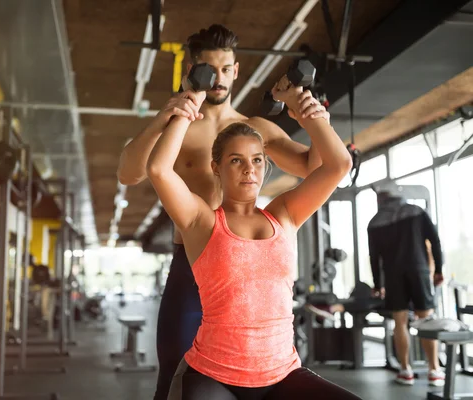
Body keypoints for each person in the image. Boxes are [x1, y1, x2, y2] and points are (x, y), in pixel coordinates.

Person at [117, 24, 329, 399]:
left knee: (254, 374)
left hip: (244, 265)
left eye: (226, 68)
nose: (218, 78)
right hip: (192, 262)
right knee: (173, 369)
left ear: (236, 71)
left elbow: (316, 166)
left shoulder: (254, 130)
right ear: (191, 72)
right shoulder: (178, 129)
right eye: (208, 69)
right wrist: (165, 118)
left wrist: (311, 116)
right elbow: (129, 173)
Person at [146, 72, 358, 399]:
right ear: (216, 167)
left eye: (257, 160)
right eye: (236, 160)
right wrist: (187, 108)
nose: (249, 169)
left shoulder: (284, 214)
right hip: (212, 375)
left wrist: (308, 115)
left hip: (282, 373)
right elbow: (159, 169)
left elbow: (338, 165)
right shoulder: (200, 221)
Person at [368, 189, 445, 386]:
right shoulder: (416, 211)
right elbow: (434, 240)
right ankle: (434, 370)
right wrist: (438, 269)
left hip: (393, 275)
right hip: (418, 270)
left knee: (400, 322)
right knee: (425, 319)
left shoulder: (375, 222)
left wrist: (378, 284)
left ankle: (405, 370)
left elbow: (374, 257)